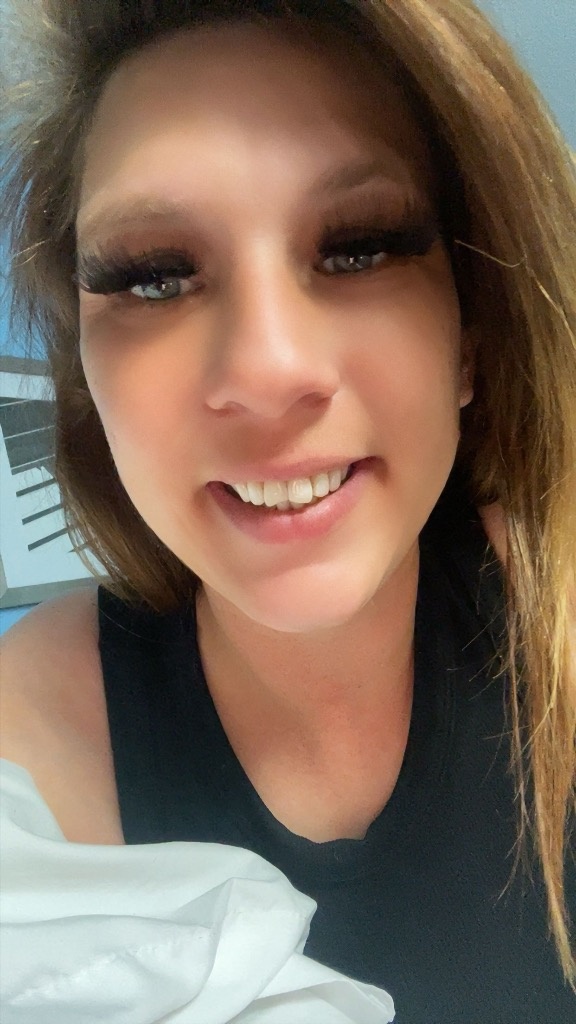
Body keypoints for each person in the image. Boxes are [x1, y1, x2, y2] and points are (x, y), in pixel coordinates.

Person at [1, 0, 575, 1020]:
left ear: (470, 343)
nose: (267, 372)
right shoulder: (27, 732)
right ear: (86, 377)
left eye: (360, 247)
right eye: (154, 276)